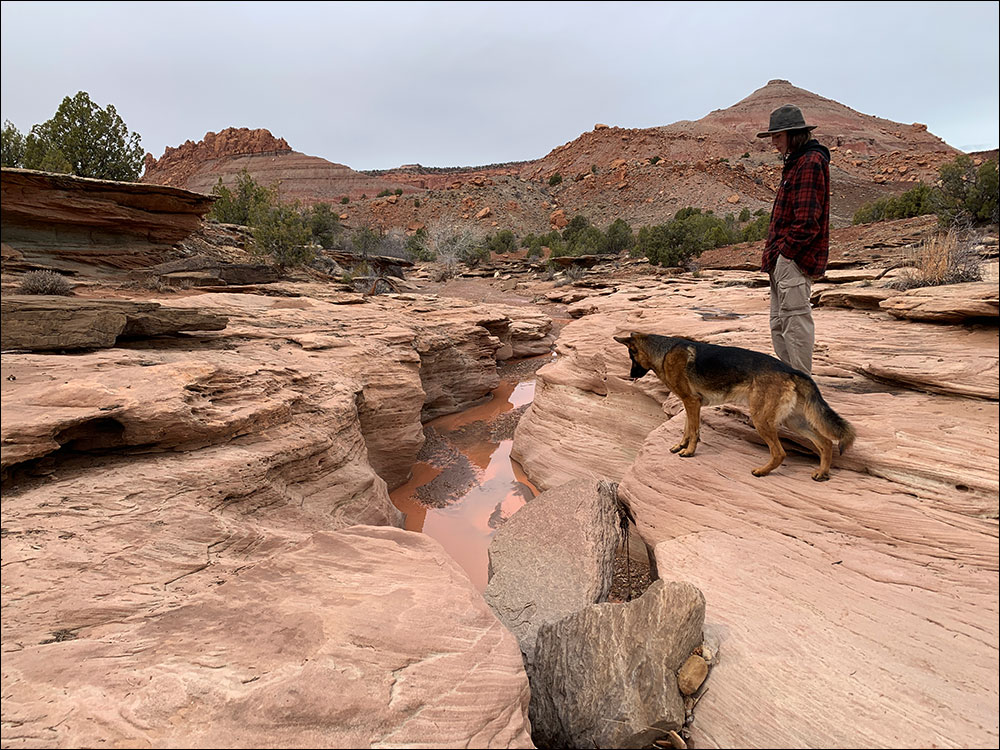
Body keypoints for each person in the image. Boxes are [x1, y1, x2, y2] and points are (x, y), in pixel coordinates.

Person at [757, 104, 830, 375]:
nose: (774, 143)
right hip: (782, 260)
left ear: (794, 134)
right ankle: (790, 386)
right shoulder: (797, 162)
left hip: (793, 261)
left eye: (778, 136)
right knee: (780, 325)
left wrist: (786, 255)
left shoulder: (810, 162)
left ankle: (802, 390)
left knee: (795, 326)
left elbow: (807, 221)